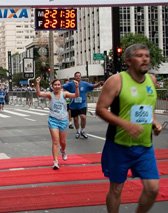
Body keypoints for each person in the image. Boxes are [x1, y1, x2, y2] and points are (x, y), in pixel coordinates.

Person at [96, 44, 162, 213]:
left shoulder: (151, 80)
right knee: (116, 189)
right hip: (119, 145)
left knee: (153, 188)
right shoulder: (116, 81)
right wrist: (125, 124)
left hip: (144, 146)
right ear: (128, 61)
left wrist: (154, 122)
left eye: (147, 55)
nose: (145, 59)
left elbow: (148, 105)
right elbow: (101, 109)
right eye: (140, 55)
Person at [36, 77, 79, 169]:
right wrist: (38, 83)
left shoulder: (64, 94)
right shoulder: (50, 95)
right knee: (55, 141)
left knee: (62, 141)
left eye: (58, 85)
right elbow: (39, 93)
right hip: (53, 120)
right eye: (55, 85)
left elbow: (76, 95)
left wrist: (76, 87)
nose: (57, 86)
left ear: (61, 86)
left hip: (63, 120)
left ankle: (63, 150)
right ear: (52, 86)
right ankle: (55, 161)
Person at [63, 72, 103, 139]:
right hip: (73, 105)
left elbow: (92, 86)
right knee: (75, 119)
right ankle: (78, 131)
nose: (78, 77)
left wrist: (99, 84)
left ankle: (83, 130)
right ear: (74, 77)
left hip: (82, 104)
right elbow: (62, 87)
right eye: (76, 76)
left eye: (79, 76)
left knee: (83, 117)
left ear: (80, 77)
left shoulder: (84, 84)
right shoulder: (70, 84)